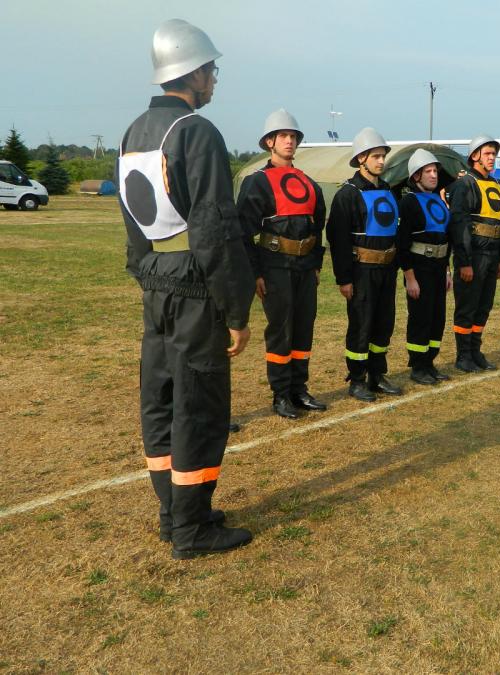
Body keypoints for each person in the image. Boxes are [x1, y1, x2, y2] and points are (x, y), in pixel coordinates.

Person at [117, 19, 256, 559]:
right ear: (193, 73)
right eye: (211, 70)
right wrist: (236, 310)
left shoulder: (133, 133)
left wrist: (148, 275)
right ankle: (193, 528)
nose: (214, 79)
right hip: (195, 287)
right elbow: (215, 228)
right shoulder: (196, 132)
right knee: (197, 403)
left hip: (157, 282)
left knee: (160, 398)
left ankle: (173, 513)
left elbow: (132, 222)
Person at [236, 109, 328, 419]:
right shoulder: (257, 182)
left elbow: (318, 227)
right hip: (274, 267)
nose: (289, 141)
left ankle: (299, 389)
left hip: (305, 268)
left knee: (304, 327)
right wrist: (255, 273)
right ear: (269, 142)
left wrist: (315, 265)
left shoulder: (310, 183)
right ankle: (281, 394)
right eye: (283, 136)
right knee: (281, 330)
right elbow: (243, 232)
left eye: (293, 136)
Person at [326, 127, 403, 402]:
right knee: (361, 325)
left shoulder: (389, 191)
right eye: (376, 156)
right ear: (361, 159)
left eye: (383, 156)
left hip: (386, 271)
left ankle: (377, 375)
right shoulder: (347, 194)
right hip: (361, 272)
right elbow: (338, 240)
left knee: (384, 324)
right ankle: (357, 379)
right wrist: (344, 279)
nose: (381, 161)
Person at [446, 135, 500, 372]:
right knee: (467, 307)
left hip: (492, 257)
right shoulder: (465, 184)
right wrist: (464, 262)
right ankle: (463, 356)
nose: (492, 158)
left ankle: (475, 351)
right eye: (487, 154)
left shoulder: (498, 185)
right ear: (474, 156)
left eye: (494, 154)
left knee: (483, 307)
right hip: (473, 258)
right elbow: (459, 225)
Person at [397, 148, 453, 385]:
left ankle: (430, 362)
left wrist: (447, 270)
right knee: (420, 318)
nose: (434, 175)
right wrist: (410, 278)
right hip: (419, 269)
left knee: (437, 317)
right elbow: (402, 244)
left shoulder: (440, 201)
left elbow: (446, 238)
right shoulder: (408, 202)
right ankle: (418, 366)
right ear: (416, 176)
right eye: (428, 171)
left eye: (435, 171)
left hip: (439, 267)